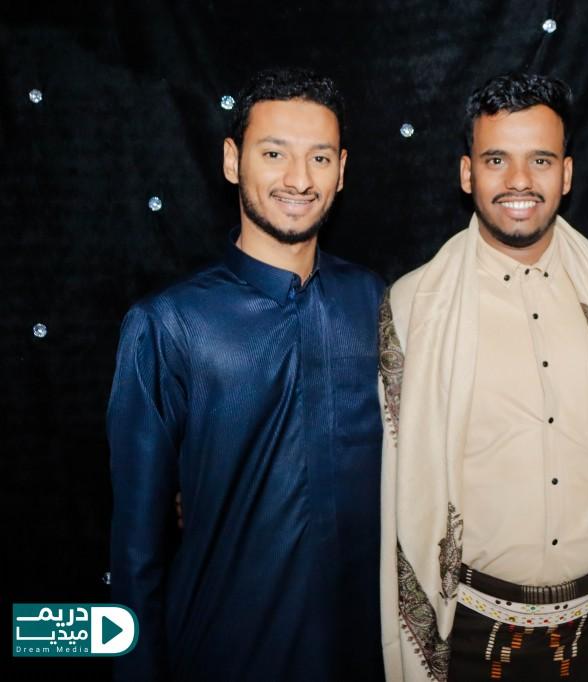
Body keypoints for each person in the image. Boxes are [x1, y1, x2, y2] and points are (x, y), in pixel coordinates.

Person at [378, 73, 588, 681]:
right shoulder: (414, 308)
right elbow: (402, 484)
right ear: (467, 174)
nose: (519, 180)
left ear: (566, 174)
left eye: (539, 160)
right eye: (497, 160)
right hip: (472, 633)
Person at [108, 68, 384, 681]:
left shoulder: (377, 304)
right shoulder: (168, 324)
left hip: (363, 657)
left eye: (319, 157)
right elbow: (135, 552)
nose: (298, 179)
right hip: (223, 655)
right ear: (233, 161)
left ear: (341, 170)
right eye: (274, 153)